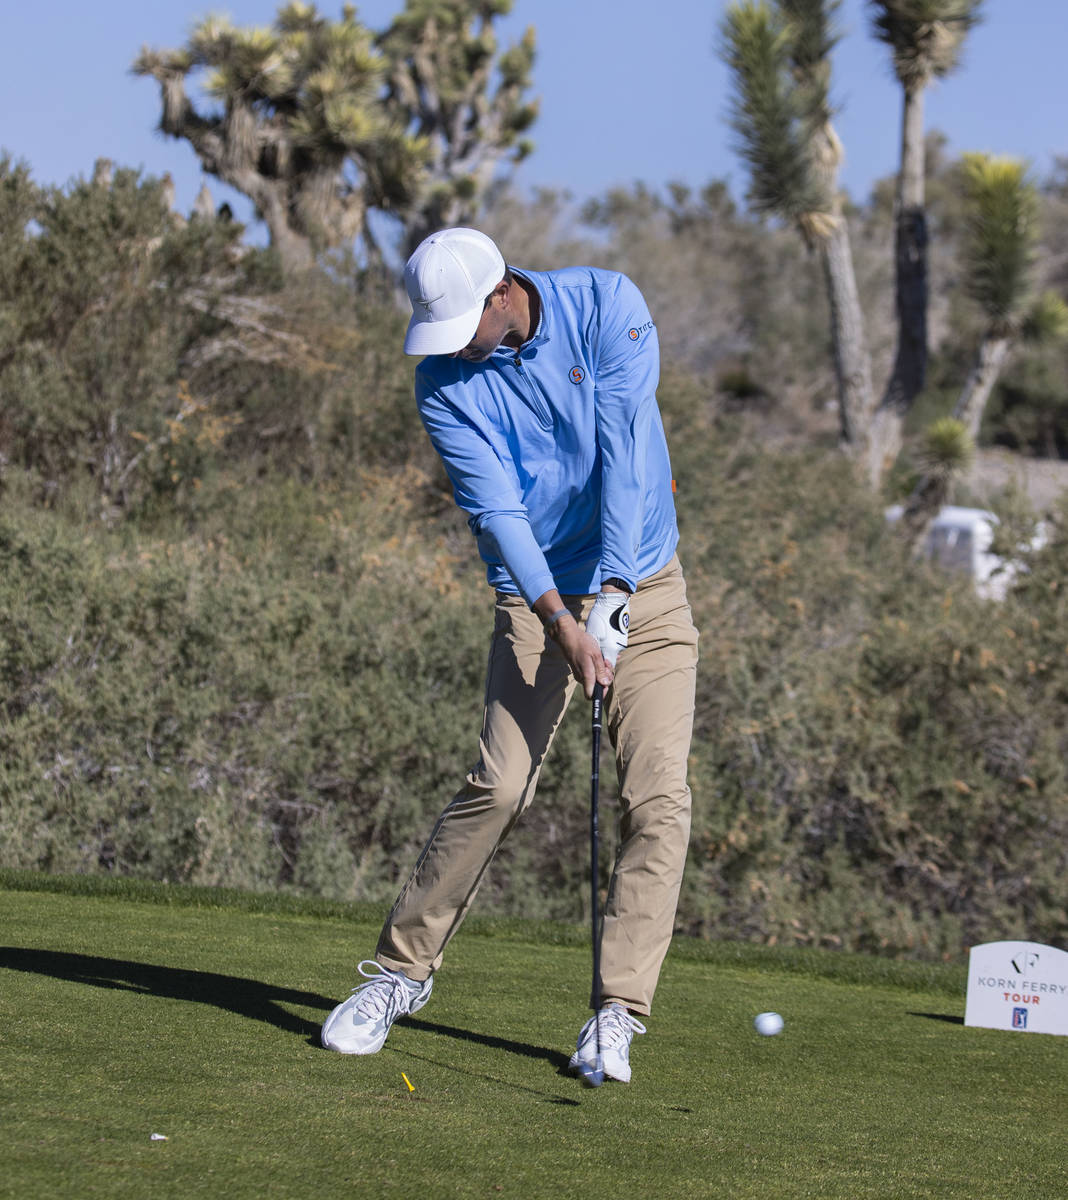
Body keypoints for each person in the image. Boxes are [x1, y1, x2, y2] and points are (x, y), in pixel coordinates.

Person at [320, 228, 699, 1084]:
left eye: (461, 323)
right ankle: (395, 977)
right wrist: (565, 619)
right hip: (537, 599)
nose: (449, 345)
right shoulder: (442, 382)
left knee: (658, 799)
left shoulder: (608, 306)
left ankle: (616, 1014)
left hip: (647, 581)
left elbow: (627, 454)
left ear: (502, 295)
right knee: (500, 783)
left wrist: (614, 591)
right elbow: (498, 513)